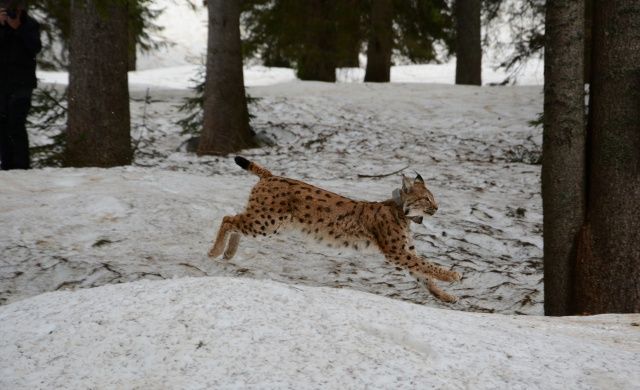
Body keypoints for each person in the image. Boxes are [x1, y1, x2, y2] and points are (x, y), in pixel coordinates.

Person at [0, 0, 41, 170]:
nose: (11, 13)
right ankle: (6, 164)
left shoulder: (29, 24)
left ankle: (22, 165)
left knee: (16, 123)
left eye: (14, 9)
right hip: (2, 83)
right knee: (2, 124)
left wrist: (18, 29)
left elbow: (35, 48)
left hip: (22, 83)